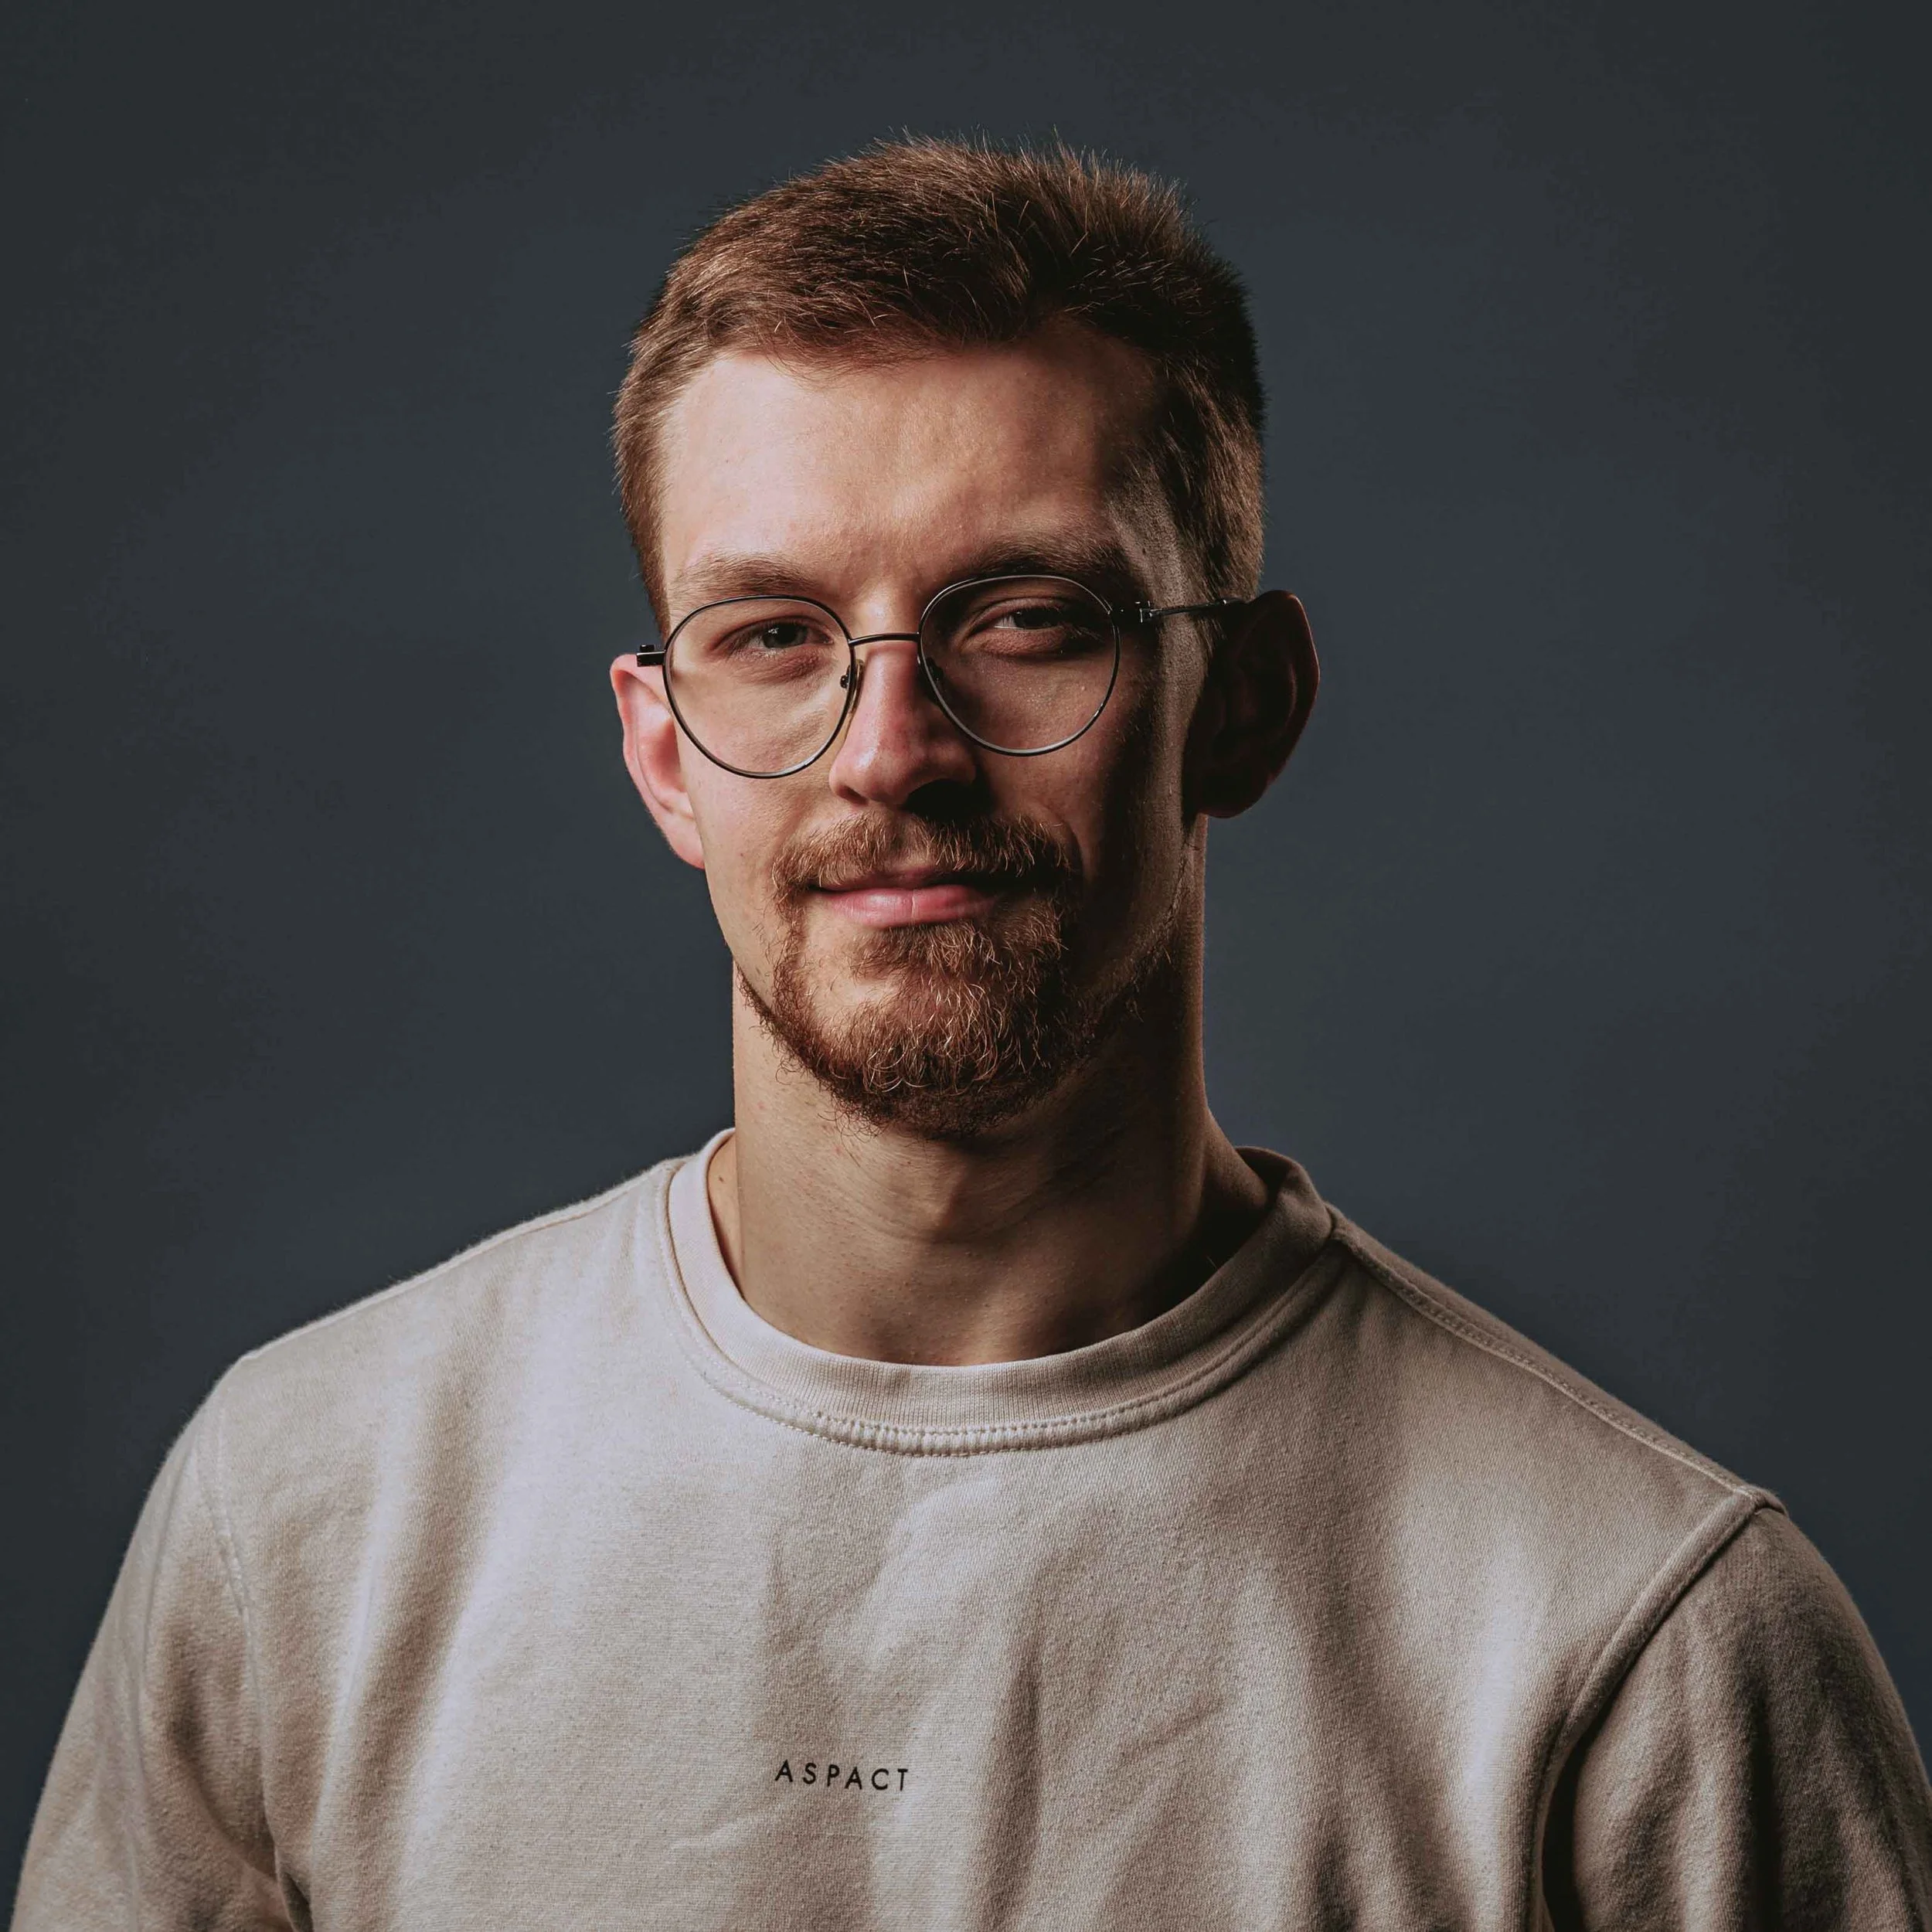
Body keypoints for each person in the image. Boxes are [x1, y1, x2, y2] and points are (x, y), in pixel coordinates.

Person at [15, 138, 1931, 1930]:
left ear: (1242, 707)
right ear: (660, 749)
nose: (891, 749)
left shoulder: (1642, 1642)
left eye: (1025, 616)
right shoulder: (300, 1516)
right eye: (770, 631)